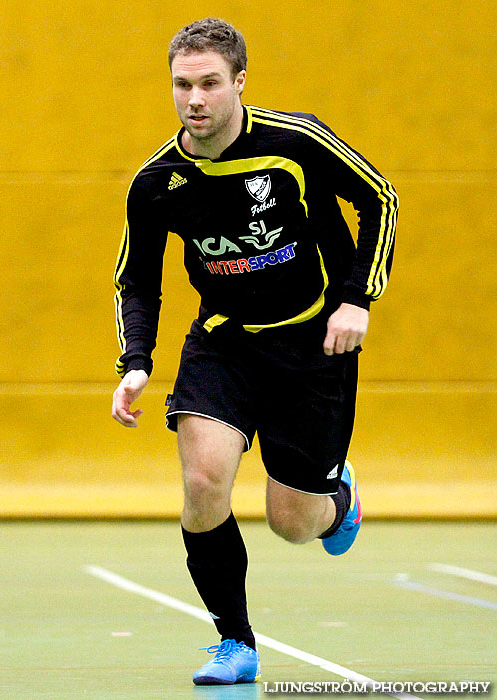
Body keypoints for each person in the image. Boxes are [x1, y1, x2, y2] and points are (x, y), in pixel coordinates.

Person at [111, 17, 397, 686]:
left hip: (313, 342)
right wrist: (136, 362)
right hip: (225, 343)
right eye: (182, 85)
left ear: (239, 82)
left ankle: (339, 501)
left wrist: (358, 298)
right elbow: (136, 280)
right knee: (204, 479)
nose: (195, 99)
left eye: (210, 83)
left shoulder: (295, 142)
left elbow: (380, 198)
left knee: (292, 524)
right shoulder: (157, 184)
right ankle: (234, 642)